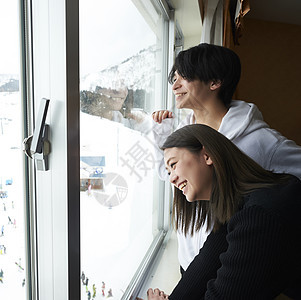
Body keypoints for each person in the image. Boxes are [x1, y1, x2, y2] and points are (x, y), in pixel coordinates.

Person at [151, 43, 301, 274]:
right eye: (175, 78)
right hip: (189, 262)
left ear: (214, 82)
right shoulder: (184, 132)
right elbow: (165, 174)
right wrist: (162, 133)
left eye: (185, 77)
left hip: (230, 266)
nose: (175, 85)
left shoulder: (260, 140)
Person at [148, 124, 301, 300]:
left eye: (174, 165)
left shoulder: (260, 216)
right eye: (168, 172)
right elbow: (206, 263)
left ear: (207, 155)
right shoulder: (239, 205)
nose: (172, 179)